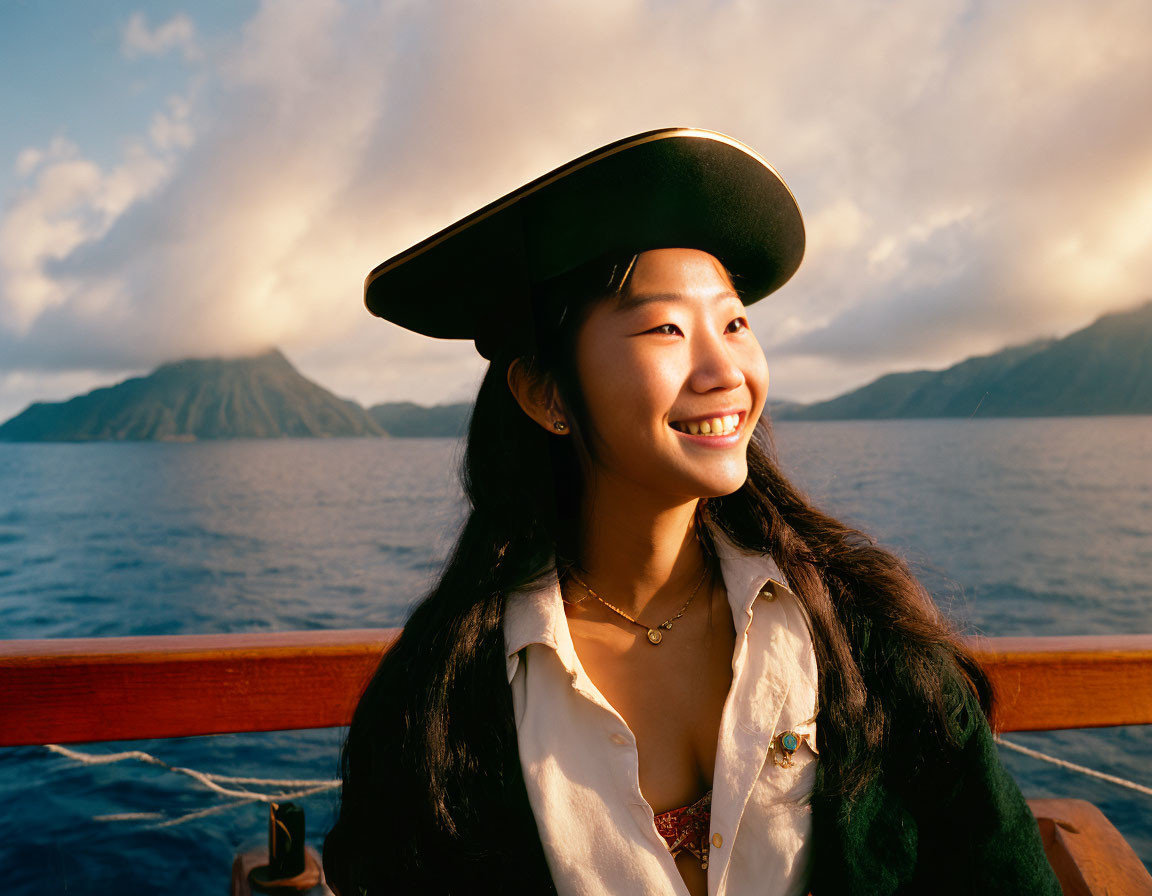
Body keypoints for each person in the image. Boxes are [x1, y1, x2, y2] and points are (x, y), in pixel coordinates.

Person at [323, 128, 1061, 895]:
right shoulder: (442, 700)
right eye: (666, 328)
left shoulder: (863, 637)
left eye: (735, 323)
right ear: (545, 393)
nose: (725, 371)